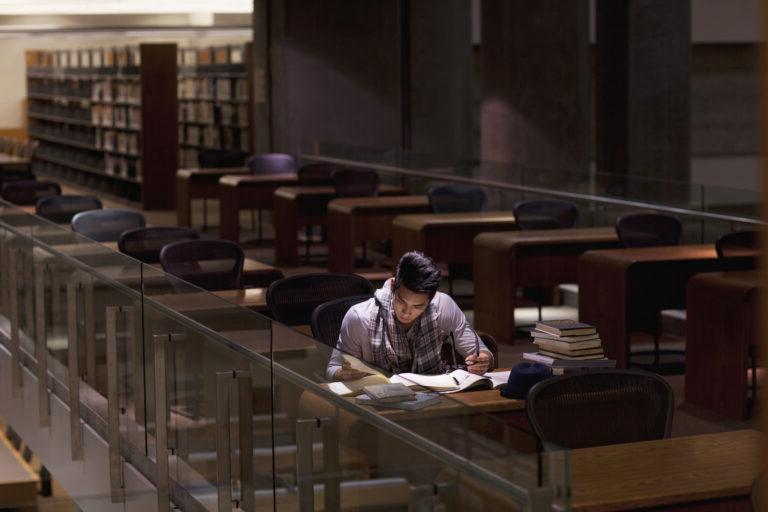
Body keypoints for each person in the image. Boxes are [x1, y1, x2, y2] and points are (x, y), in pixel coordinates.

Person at [327, 251, 493, 381]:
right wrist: (342, 373)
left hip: (433, 397)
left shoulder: (443, 306)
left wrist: (483, 361)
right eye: (401, 301)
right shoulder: (359, 317)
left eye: (418, 306)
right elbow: (332, 368)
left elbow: (482, 352)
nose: (406, 312)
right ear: (393, 286)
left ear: (431, 299)